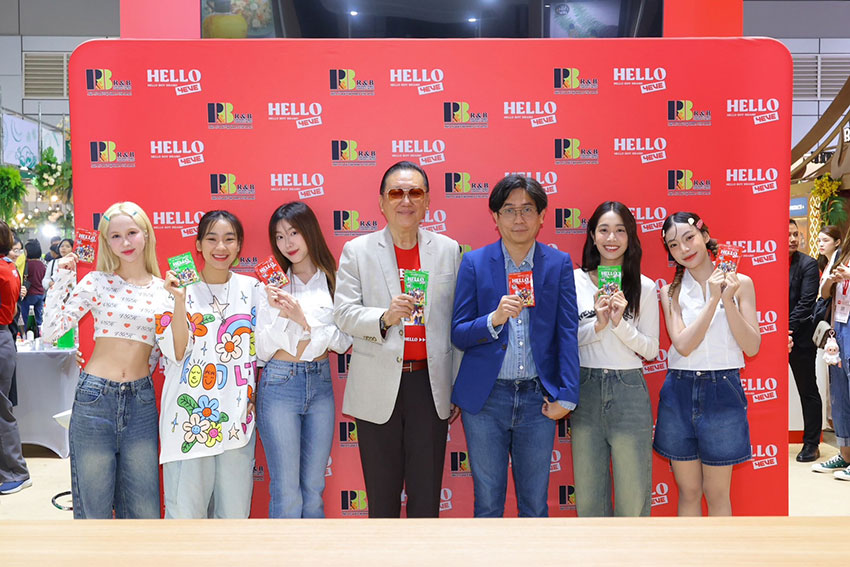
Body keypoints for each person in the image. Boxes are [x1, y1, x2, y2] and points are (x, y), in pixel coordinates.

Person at [334, 160, 461, 518]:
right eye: (396, 193)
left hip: (429, 385)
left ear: (427, 201)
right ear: (382, 202)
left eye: (415, 192)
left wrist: (455, 385)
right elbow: (343, 314)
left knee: (426, 498)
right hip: (377, 387)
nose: (406, 200)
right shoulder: (357, 251)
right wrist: (384, 318)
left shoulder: (448, 250)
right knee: (381, 499)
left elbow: (458, 321)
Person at [450, 174, 579, 518]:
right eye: (509, 210)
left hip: (539, 400)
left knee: (535, 505)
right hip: (486, 400)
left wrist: (567, 395)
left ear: (542, 216)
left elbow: (567, 331)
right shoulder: (475, 263)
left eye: (527, 210)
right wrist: (493, 320)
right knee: (488, 503)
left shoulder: (558, 264)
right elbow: (458, 333)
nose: (518, 219)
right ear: (495, 217)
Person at [42, 202, 171, 518]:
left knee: (143, 512)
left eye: (132, 233)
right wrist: (61, 278)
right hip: (95, 399)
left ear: (146, 234)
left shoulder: (165, 290)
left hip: (140, 402)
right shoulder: (96, 281)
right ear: (106, 242)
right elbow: (51, 332)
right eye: (115, 236)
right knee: (93, 510)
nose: (125, 242)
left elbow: (160, 353)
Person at [654, 212, 760, 516]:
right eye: (674, 245)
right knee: (688, 490)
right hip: (679, 391)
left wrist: (727, 300)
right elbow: (683, 345)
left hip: (722, 389)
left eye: (689, 238)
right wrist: (713, 300)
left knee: (717, 493)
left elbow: (752, 346)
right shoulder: (670, 291)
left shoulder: (742, 283)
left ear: (705, 235)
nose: (684, 249)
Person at [157, 210, 261, 518]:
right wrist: (179, 300)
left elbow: (265, 347)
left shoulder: (252, 289)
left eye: (229, 239)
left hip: (237, 421)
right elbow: (176, 351)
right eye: (212, 239)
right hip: (189, 423)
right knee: (185, 519)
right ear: (198, 245)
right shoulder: (176, 289)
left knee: (234, 518)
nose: (221, 247)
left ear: (239, 245)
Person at [255, 201, 352, 518]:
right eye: (280, 236)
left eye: (294, 232)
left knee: (313, 488)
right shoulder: (270, 285)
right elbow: (262, 350)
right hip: (279, 383)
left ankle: (313, 547)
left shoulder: (335, 280)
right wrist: (283, 316)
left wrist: (305, 322)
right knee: (286, 491)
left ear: (309, 231)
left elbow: (344, 341)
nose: (288, 243)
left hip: (320, 383)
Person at [571, 201, 659, 517]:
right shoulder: (575, 281)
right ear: (592, 235)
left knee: (632, 498)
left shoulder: (645, 286)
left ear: (630, 236)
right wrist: (598, 325)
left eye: (620, 230)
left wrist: (620, 324)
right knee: (589, 497)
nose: (612, 238)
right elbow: (566, 341)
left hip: (629, 390)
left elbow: (651, 349)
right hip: (586, 388)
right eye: (604, 230)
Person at [813, 234, 850, 479]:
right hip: (839, 327)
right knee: (839, 395)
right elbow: (825, 293)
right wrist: (833, 279)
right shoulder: (842, 253)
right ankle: (845, 454)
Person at [0, 220, 30, 494]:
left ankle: (16, 472)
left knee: (1, 410)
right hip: (4, 337)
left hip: (1, 336)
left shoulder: (4, 268)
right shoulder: (9, 267)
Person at [788, 219, 822, 462]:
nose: (792, 239)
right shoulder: (767, 262)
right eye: (787, 234)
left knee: (808, 390)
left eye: (795, 234)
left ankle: (811, 444)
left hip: (799, 338)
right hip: (767, 339)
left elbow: (806, 302)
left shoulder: (808, 264)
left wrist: (785, 330)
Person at [20, 239, 46, 332]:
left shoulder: (27, 264)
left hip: (29, 294)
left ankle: (29, 335)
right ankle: (38, 335)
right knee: (38, 319)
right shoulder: (42, 264)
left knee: (28, 319)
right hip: (40, 294)